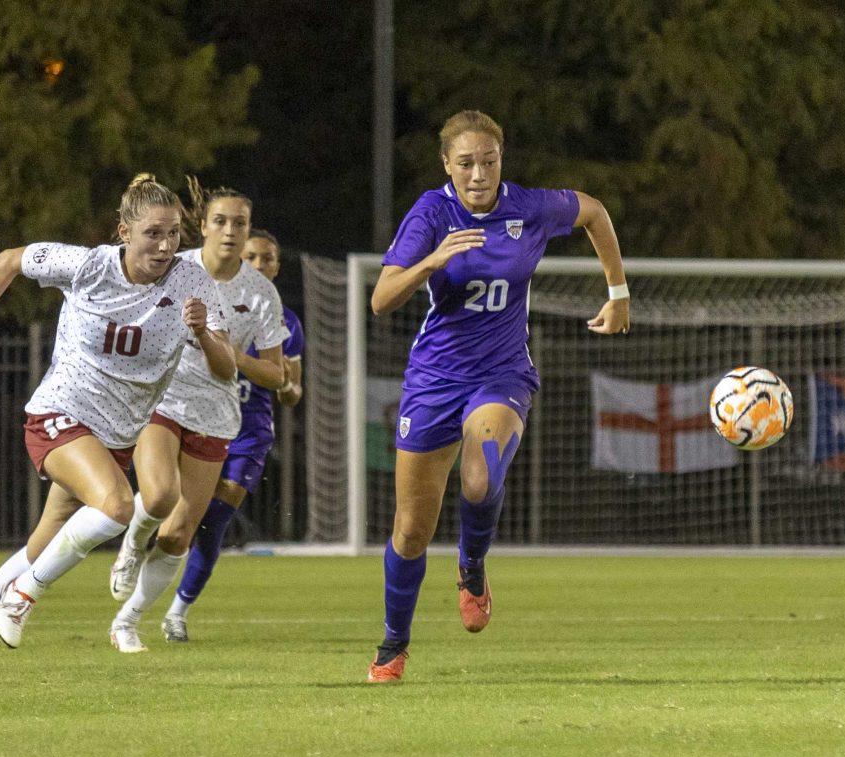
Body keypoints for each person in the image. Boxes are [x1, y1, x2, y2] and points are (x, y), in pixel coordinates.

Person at [366, 110, 630, 683]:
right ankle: (393, 643)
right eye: (465, 163)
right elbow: (382, 298)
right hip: (435, 379)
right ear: (446, 166)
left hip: (502, 374)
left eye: (488, 161)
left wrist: (618, 292)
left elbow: (594, 212)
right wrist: (433, 260)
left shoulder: (528, 207)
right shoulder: (431, 213)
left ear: (501, 159)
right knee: (412, 529)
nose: (478, 173)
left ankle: (472, 564)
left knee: (482, 477)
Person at [0, 173, 232, 686]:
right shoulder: (89, 265)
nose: (166, 246)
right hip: (61, 413)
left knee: (41, 548)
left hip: (114, 438)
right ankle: (25, 596)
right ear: (124, 231)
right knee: (118, 506)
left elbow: (227, 368)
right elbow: (10, 258)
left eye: (173, 234)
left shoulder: (192, 284)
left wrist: (203, 331)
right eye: (153, 234)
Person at [106, 182, 289, 653]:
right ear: (203, 226)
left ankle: (127, 622)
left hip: (217, 412)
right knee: (161, 494)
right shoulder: (174, 266)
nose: (230, 231)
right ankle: (130, 545)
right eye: (221, 221)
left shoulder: (261, 292)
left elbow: (276, 375)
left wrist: (235, 356)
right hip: (163, 399)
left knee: (181, 531)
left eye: (240, 223)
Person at [157, 229, 303, 642]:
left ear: (276, 266)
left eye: (268, 259)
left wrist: (287, 386)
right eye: (253, 256)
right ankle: (142, 550)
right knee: (170, 506)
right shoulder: (206, 294)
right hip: (198, 415)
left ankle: (177, 612)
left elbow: (292, 390)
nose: (260, 265)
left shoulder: (286, 320)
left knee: (214, 519)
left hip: (248, 430)